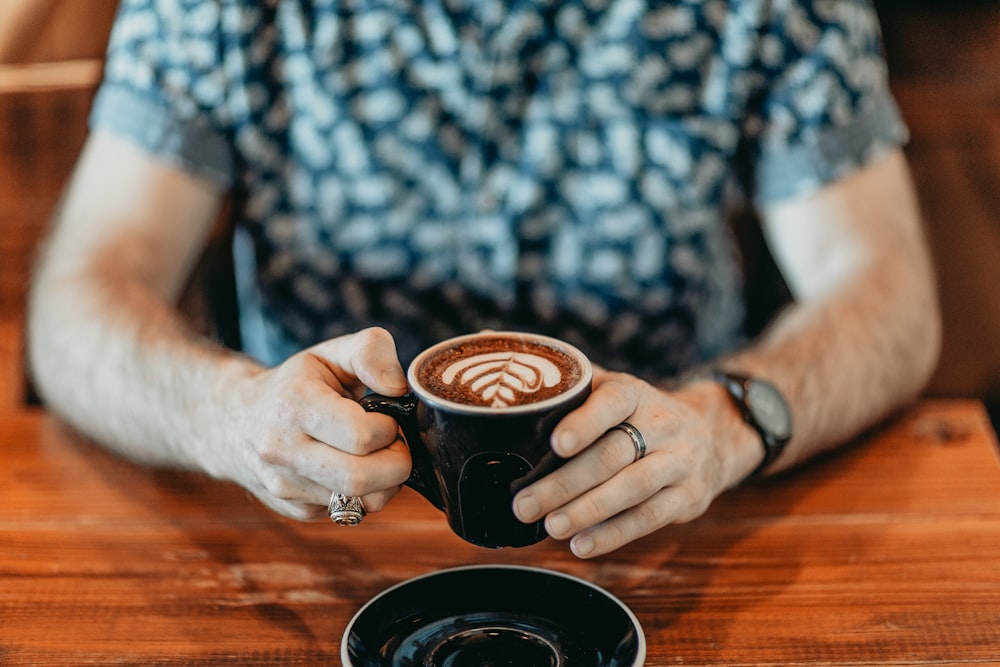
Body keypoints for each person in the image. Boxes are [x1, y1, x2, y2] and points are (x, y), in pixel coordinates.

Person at [27, 0, 940, 559]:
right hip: (315, 540)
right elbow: (83, 294)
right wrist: (227, 416)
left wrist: (729, 420)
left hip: (674, 534)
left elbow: (887, 289)